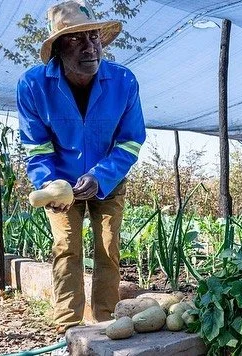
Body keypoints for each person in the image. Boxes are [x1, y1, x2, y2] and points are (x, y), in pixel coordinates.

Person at [17, 0, 146, 335]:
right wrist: (51, 185)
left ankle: (105, 324)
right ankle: (68, 328)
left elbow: (130, 141)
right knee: (66, 249)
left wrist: (101, 176)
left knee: (108, 249)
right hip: (59, 183)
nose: (90, 47)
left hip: (109, 179)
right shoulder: (33, 85)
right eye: (76, 39)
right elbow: (36, 146)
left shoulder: (123, 81)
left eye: (93, 37)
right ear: (59, 47)